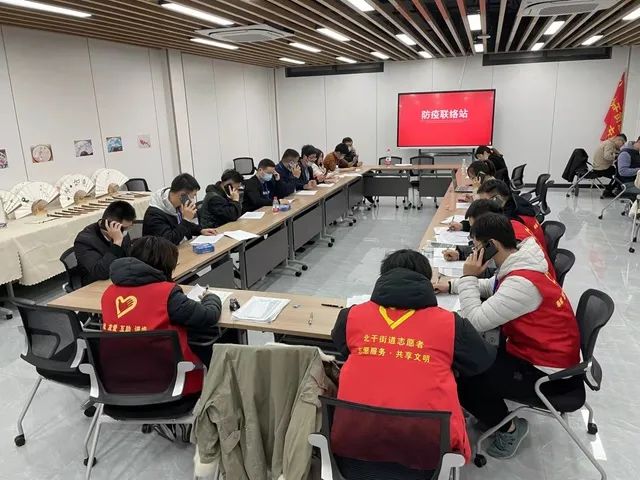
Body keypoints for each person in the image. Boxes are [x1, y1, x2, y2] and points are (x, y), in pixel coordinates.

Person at [433, 214, 580, 459]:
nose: (474, 253)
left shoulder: (523, 284)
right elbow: (492, 286)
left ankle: (510, 428)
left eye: (476, 247)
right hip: (540, 352)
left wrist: (469, 276)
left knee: (464, 372)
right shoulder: (521, 262)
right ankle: (489, 411)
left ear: (492, 245)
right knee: (475, 354)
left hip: (549, 374)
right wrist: (450, 286)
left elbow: (474, 321)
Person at [331, 249, 496, 465]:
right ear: (426, 280)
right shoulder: (451, 324)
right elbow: (481, 360)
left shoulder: (351, 316)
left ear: (384, 276)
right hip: (431, 452)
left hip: (353, 444)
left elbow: (343, 348)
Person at [101, 236, 222, 395]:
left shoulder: (109, 293)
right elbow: (209, 315)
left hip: (119, 384)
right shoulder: (167, 294)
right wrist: (210, 297)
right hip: (169, 385)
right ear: (165, 265)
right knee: (215, 335)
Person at [444, 199, 555, 280]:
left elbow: (496, 275)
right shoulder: (508, 227)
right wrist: (460, 253)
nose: (472, 234)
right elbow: (495, 277)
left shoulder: (515, 241)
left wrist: (469, 276)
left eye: (474, 228)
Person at [143, 173, 217, 245]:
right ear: (183, 195)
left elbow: (183, 226)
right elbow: (169, 241)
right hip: (165, 251)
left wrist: (200, 230)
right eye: (193, 196)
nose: (193, 200)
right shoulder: (154, 215)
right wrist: (186, 219)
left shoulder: (177, 205)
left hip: (183, 247)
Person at [74, 201, 136, 286]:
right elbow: (101, 272)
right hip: (96, 285)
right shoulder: (84, 241)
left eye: (129, 227)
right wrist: (117, 243)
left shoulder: (121, 232)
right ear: (109, 225)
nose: (126, 231)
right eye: (124, 228)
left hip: (121, 278)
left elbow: (128, 257)